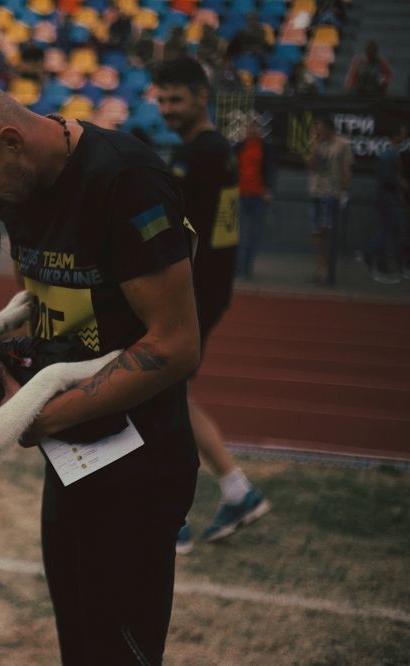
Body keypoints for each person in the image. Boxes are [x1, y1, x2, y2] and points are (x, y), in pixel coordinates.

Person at [0, 78, 200, 664]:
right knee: (80, 646)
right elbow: (46, 316)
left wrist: (36, 416)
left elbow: (175, 344)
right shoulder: (19, 189)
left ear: (12, 141)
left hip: (139, 464)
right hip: (73, 458)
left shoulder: (125, 180)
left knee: (118, 653)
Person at [155, 57, 270, 554]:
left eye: (175, 99)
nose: (166, 109)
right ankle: (235, 490)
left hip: (196, 294)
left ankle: (175, 516)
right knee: (170, 395)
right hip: (209, 290)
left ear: (202, 97)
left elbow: (171, 229)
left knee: (160, 397)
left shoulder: (199, 153)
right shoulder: (214, 149)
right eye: (160, 100)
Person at [357, 117, 406, 284]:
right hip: (388, 199)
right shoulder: (388, 155)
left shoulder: (392, 154)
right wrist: (404, 186)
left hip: (390, 198)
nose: (405, 135)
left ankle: (397, 264)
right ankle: (371, 257)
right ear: (396, 135)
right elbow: (388, 181)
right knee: (389, 231)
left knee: (394, 232)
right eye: (402, 132)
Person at [306, 112, 352, 286]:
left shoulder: (342, 144)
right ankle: (320, 270)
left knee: (329, 234)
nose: (318, 130)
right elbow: (311, 166)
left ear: (328, 128)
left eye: (320, 127)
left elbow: (347, 169)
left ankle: (330, 274)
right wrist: (313, 144)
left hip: (331, 194)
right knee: (317, 234)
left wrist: (344, 190)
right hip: (316, 192)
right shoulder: (317, 144)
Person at [233, 114, 276, 279]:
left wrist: (269, 189)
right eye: (248, 127)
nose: (251, 130)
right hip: (240, 195)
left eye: (254, 127)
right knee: (241, 233)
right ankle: (238, 267)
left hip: (258, 195)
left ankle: (247, 268)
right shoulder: (238, 147)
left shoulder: (265, 148)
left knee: (254, 233)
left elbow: (270, 169)